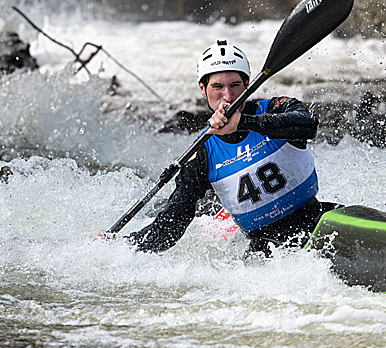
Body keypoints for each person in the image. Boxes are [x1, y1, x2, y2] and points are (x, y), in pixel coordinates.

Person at [124, 39, 339, 257]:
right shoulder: (202, 152)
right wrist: (120, 245)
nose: (227, 96)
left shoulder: (276, 108)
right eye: (217, 87)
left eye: (235, 86)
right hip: (265, 252)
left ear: (247, 85)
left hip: (317, 221)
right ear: (203, 89)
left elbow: (308, 124)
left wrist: (245, 122)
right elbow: (170, 227)